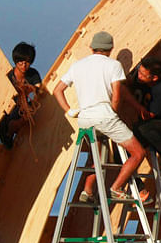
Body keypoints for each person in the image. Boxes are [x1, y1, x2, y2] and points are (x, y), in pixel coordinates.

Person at [53, 31, 147, 202]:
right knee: (138, 153)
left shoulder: (77, 66)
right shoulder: (114, 66)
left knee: (98, 155)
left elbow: (57, 90)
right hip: (104, 116)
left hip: (84, 119)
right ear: (110, 49)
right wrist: (113, 113)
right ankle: (116, 188)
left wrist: (69, 110)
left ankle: (87, 191)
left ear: (92, 47)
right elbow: (117, 96)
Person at [127, 57, 161, 171]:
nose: (139, 76)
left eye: (143, 75)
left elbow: (150, 116)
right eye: (139, 71)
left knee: (142, 128)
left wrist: (132, 102)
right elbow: (129, 81)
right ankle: (139, 188)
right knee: (119, 155)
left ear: (154, 78)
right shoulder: (138, 78)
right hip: (142, 127)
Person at [0, 42, 42, 149]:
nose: (24, 65)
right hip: (6, 111)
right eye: (20, 62)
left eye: (27, 62)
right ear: (16, 61)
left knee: (32, 109)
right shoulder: (8, 76)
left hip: (23, 110)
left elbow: (39, 91)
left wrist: (30, 89)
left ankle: (12, 131)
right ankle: (7, 134)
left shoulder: (33, 74)